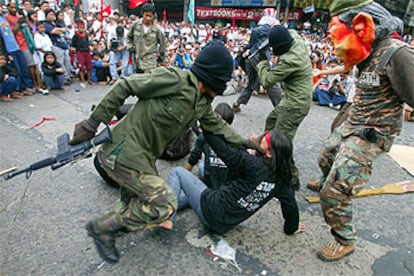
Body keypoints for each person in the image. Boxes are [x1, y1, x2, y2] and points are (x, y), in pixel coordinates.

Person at [68, 41, 262, 264]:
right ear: (212, 77)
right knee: (165, 202)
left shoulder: (202, 102)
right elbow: (125, 85)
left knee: (135, 198)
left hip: (144, 157)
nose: (224, 87)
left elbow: (218, 126)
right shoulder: (175, 80)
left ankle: (115, 229)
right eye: (222, 80)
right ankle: (102, 229)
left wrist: (247, 142)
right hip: (122, 153)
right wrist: (92, 123)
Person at [311, 0, 414, 262]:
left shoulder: (397, 53)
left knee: (334, 192)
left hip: (372, 134)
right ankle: (328, 180)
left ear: (364, 28)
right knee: (324, 157)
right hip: (353, 122)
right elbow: (347, 67)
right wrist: (323, 70)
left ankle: (344, 240)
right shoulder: (366, 50)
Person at [167, 129, 305, 236]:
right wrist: (291, 228)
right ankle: (165, 204)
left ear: (269, 153)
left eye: (262, 141)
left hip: (210, 208)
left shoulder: (252, 164)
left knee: (178, 172)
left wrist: (207, 130)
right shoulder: (282, 180)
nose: (259, 139)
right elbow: (290, 207)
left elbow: (224, 151)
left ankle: (166, 217)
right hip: (225, 225)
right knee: (186, 195)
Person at [256, 25, 313, 191]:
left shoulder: (291, 59)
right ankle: (266, 159)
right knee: (271, 122)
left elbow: (267, 81)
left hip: (295, 104)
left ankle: (291, 178)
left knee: (280, 142)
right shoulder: (294, 36)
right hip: (290, 98)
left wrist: (261, 63)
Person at [231, 8, 281, 113]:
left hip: (250, 59)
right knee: (271, 82)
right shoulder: (273, 28)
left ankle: (237, 104)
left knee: (251, 83)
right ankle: (280, 109)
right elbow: (263, 45)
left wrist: (249, 52)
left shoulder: (256, 29)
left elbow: (250, 45)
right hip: (260, 57)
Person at [185, 103, 235, 189]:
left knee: (201, 165)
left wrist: (184, 173)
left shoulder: (204, 137)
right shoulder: (235, 139)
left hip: (210, 184)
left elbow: (194, 157)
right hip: (228, 185)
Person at [126, 3, 168, 73]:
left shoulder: (157, 29)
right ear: (142, 14)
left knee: (148, 81)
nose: (148, 18)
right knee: (137, 81)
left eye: (150, 16)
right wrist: (130, 46)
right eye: (146, 15)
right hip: (137, 59)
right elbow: (128, 37)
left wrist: (165, 60)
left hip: (150, 61)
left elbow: (163, 46)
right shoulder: (136, 25)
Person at [71, 20, 94, 88]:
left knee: (89, 66)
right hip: (79, 52)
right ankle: (83, 80)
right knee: (81, 67)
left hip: (87, 51)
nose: (82, 29)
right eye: (80, 28)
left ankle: (89, 80)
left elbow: (87, 43)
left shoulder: (86, 35)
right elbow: (73, 45)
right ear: (77, 28)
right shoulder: (75, 36)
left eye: (83, 28)